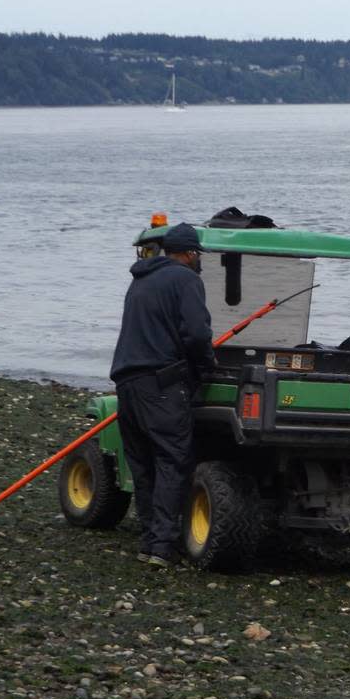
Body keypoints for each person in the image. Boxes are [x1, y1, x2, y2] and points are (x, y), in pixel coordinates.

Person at [109, 223, 216, 567]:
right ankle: (163, 547)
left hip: (126, 384)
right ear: (188, 254)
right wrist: (206, 369)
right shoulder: (186, 280)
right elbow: (197, 334)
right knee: (172, 462)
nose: (199, 261)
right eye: (198, 254)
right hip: (161, 385)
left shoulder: (139, 281)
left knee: (143, 466)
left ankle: (149, 542)